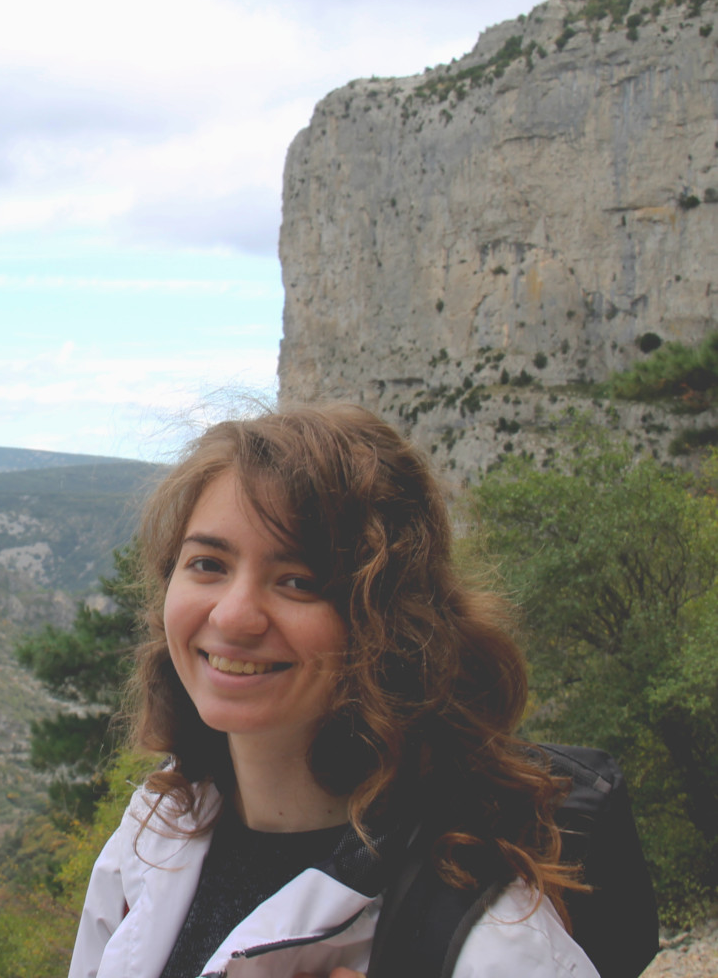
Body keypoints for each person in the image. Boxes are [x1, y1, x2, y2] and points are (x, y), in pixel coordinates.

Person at [68, 405, 596, 978]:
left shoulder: (495, 945)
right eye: (208, 563)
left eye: (299, 581)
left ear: (390, 624)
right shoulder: (154, 834)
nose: (235, 615)